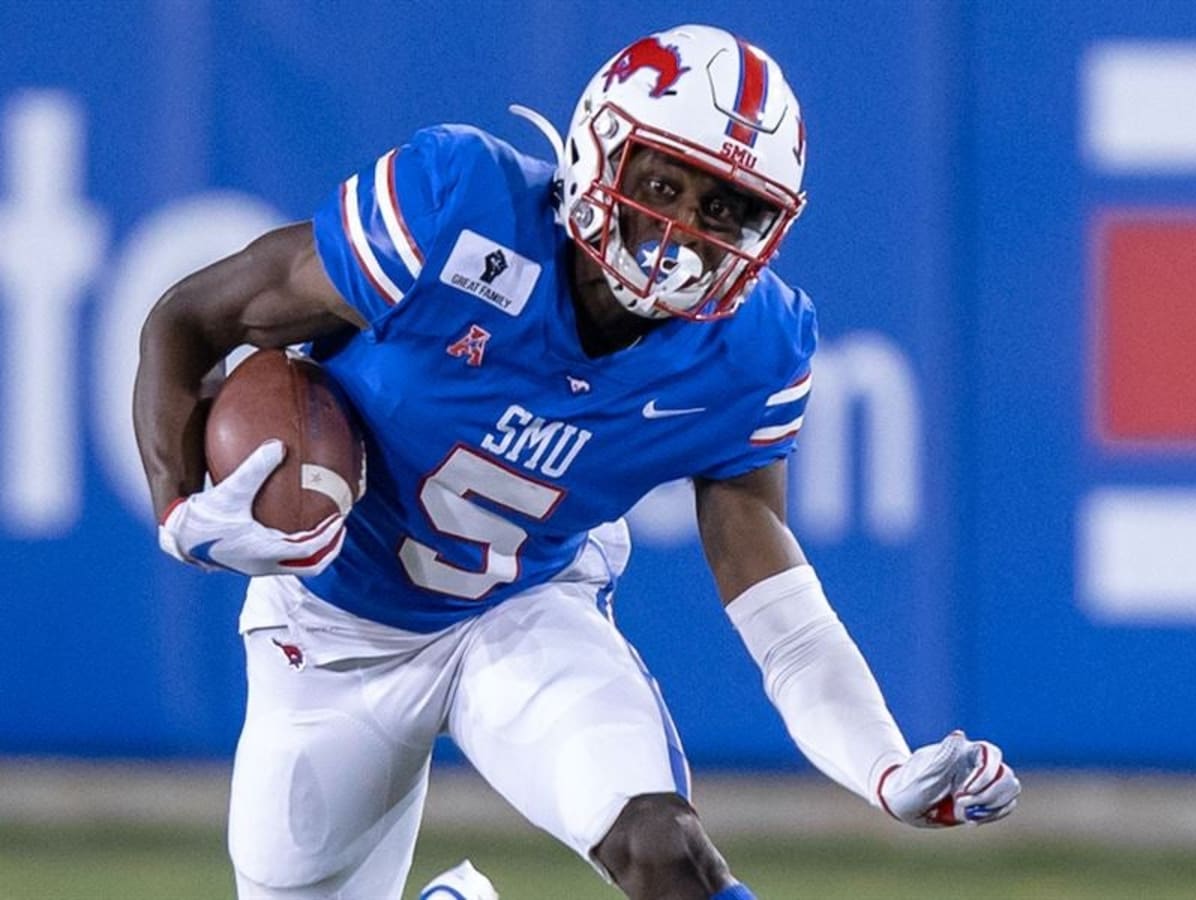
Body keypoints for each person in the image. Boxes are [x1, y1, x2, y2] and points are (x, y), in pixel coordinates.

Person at [134, 23, 1020, 900]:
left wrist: (881, 763)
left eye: (724, 209)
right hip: (328, 631)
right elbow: (189, 317)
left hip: (521, 609)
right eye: (664, 182)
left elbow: (774, 599)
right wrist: (177, 506)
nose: (682, 230)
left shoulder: (751, 349)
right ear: (601, 152)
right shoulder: (455, 208)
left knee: (664, 850)